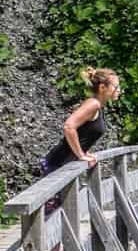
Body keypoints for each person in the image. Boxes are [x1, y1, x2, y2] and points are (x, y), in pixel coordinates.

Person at [38, 67, 121, 209]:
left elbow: (84, 132)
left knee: (62, 214)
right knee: (52, 217)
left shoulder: (98, 105)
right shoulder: (93, 104)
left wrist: (84, 151)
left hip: (65, 165)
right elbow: (69, 127)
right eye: (116, 87)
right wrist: (80, 154)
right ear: (102, 87)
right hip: (57, 164)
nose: (119, 90)